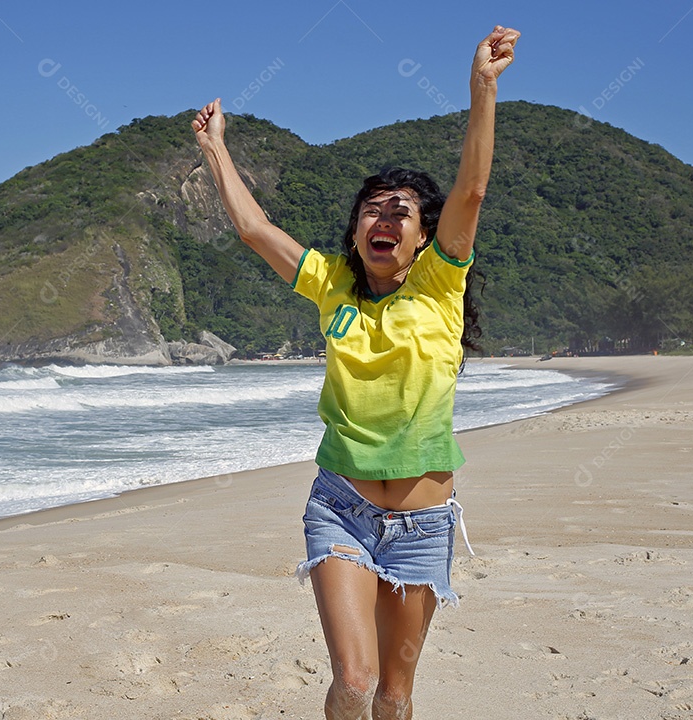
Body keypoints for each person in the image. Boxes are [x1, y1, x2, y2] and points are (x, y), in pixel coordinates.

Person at [192, 25, 520, 720]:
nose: (387, 216)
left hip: (425, 524)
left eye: (403, 212)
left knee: (397, 696)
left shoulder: (439, 285)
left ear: (424, 238)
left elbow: (473, 190)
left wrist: (482, 88)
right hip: (340, 508)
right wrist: (216, 148)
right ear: (354, 233)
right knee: (356, 681)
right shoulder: (330, 284)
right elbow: (255, 231)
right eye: (374, 207)